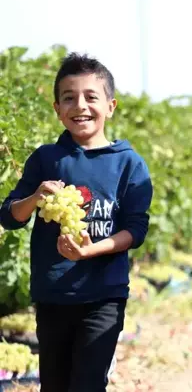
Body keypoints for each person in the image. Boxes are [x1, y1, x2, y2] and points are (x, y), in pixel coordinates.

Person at [0, 53, 153, 392]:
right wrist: (36, 196)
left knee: (87, 384)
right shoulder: (46, 159)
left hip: (104, 296)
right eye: (69, 98)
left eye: (90, 96)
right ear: (57, 108)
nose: (79, 105)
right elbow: (10, 216)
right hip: (53, 294)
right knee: (54, 385)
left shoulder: (129, 164)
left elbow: (136, 230)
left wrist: (92, 250)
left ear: (111, 106)